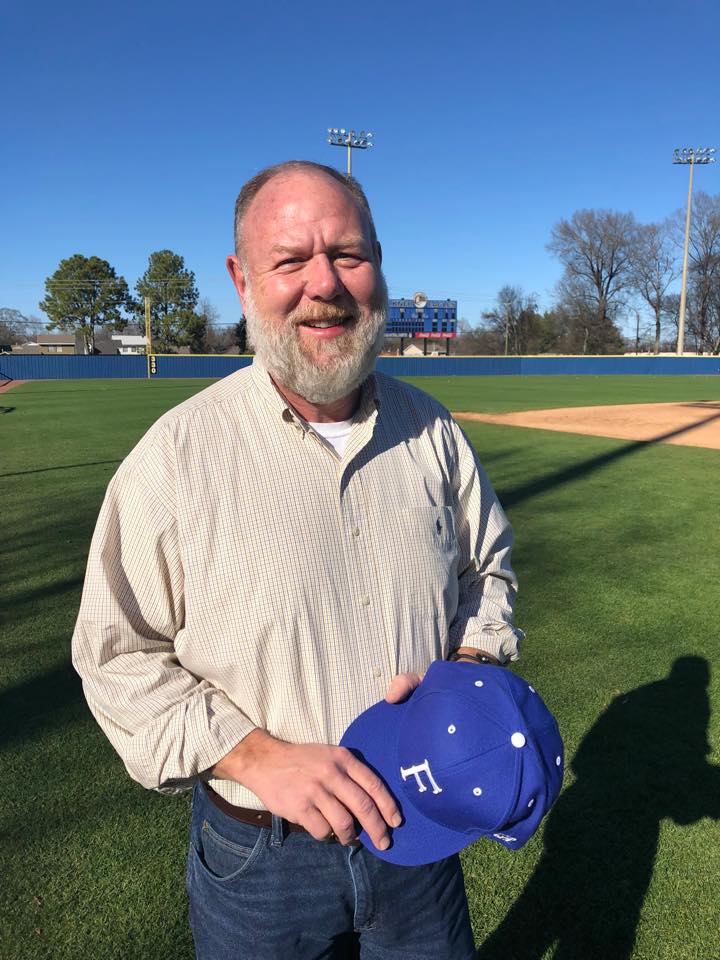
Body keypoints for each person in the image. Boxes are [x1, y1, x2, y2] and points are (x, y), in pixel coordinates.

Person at [72, 160, 525, 959]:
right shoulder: (174, 459)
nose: (326, 284)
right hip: (261, 859)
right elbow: (115, 656)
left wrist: (465, 666)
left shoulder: (433, 433)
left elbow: (486, 573)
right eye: (291, 261)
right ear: (242, 280)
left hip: (420, 829)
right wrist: (255, 757)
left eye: (349, 254)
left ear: (379, 264)